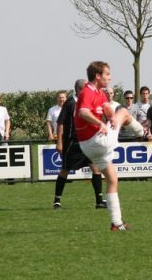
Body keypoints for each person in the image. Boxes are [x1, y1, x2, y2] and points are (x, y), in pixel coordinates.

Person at [74, 61, 143, 230]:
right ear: (98, 76)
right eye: (107, 74)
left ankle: (116, 223)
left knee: (112, 179)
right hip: (96, 140)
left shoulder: (100, 93)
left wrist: (111, 116)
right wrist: (100, 123)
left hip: (90, 147)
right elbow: (82, 112)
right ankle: (143, 132)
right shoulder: (87, 91)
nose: (110, 77)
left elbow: (106, 107)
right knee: (124, 112)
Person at [53, 79, 107, 210]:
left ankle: (99, 201)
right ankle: (57, 201)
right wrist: (59, 142)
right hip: (73, 142)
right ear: (79, 89)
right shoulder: (70, 103)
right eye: (86, 88)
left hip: (87, 141)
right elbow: (60, 123)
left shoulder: (88, 102)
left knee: (96, 169)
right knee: (65, 170)